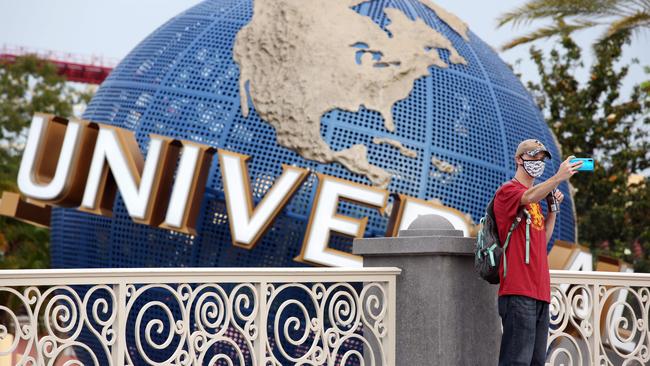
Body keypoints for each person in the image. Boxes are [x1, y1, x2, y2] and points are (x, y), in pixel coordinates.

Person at [494, 139, 582, 365]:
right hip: (518, 290)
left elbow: (541, 242)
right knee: (516, 361)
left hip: (540, 291)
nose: (537, 162)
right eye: (533, 156)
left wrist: (552, 211)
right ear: (518, 159)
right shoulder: (509, 191)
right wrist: (558, 179)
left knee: (535, 362)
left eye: (541, 158)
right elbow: (528, 196)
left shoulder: (536, 201)